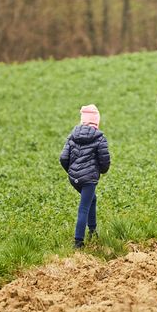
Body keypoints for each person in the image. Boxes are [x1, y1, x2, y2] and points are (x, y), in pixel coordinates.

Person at [59, 104, 111, 250]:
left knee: (92, 199)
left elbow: (63, 158)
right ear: (96, 122)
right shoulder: (99, 138)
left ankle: (93, 231)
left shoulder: (72, 135)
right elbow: (104, 160)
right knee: (83, 208)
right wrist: (100, 171)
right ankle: (78, 242)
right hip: (88, 179)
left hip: (74, 178)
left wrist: (71, 171)